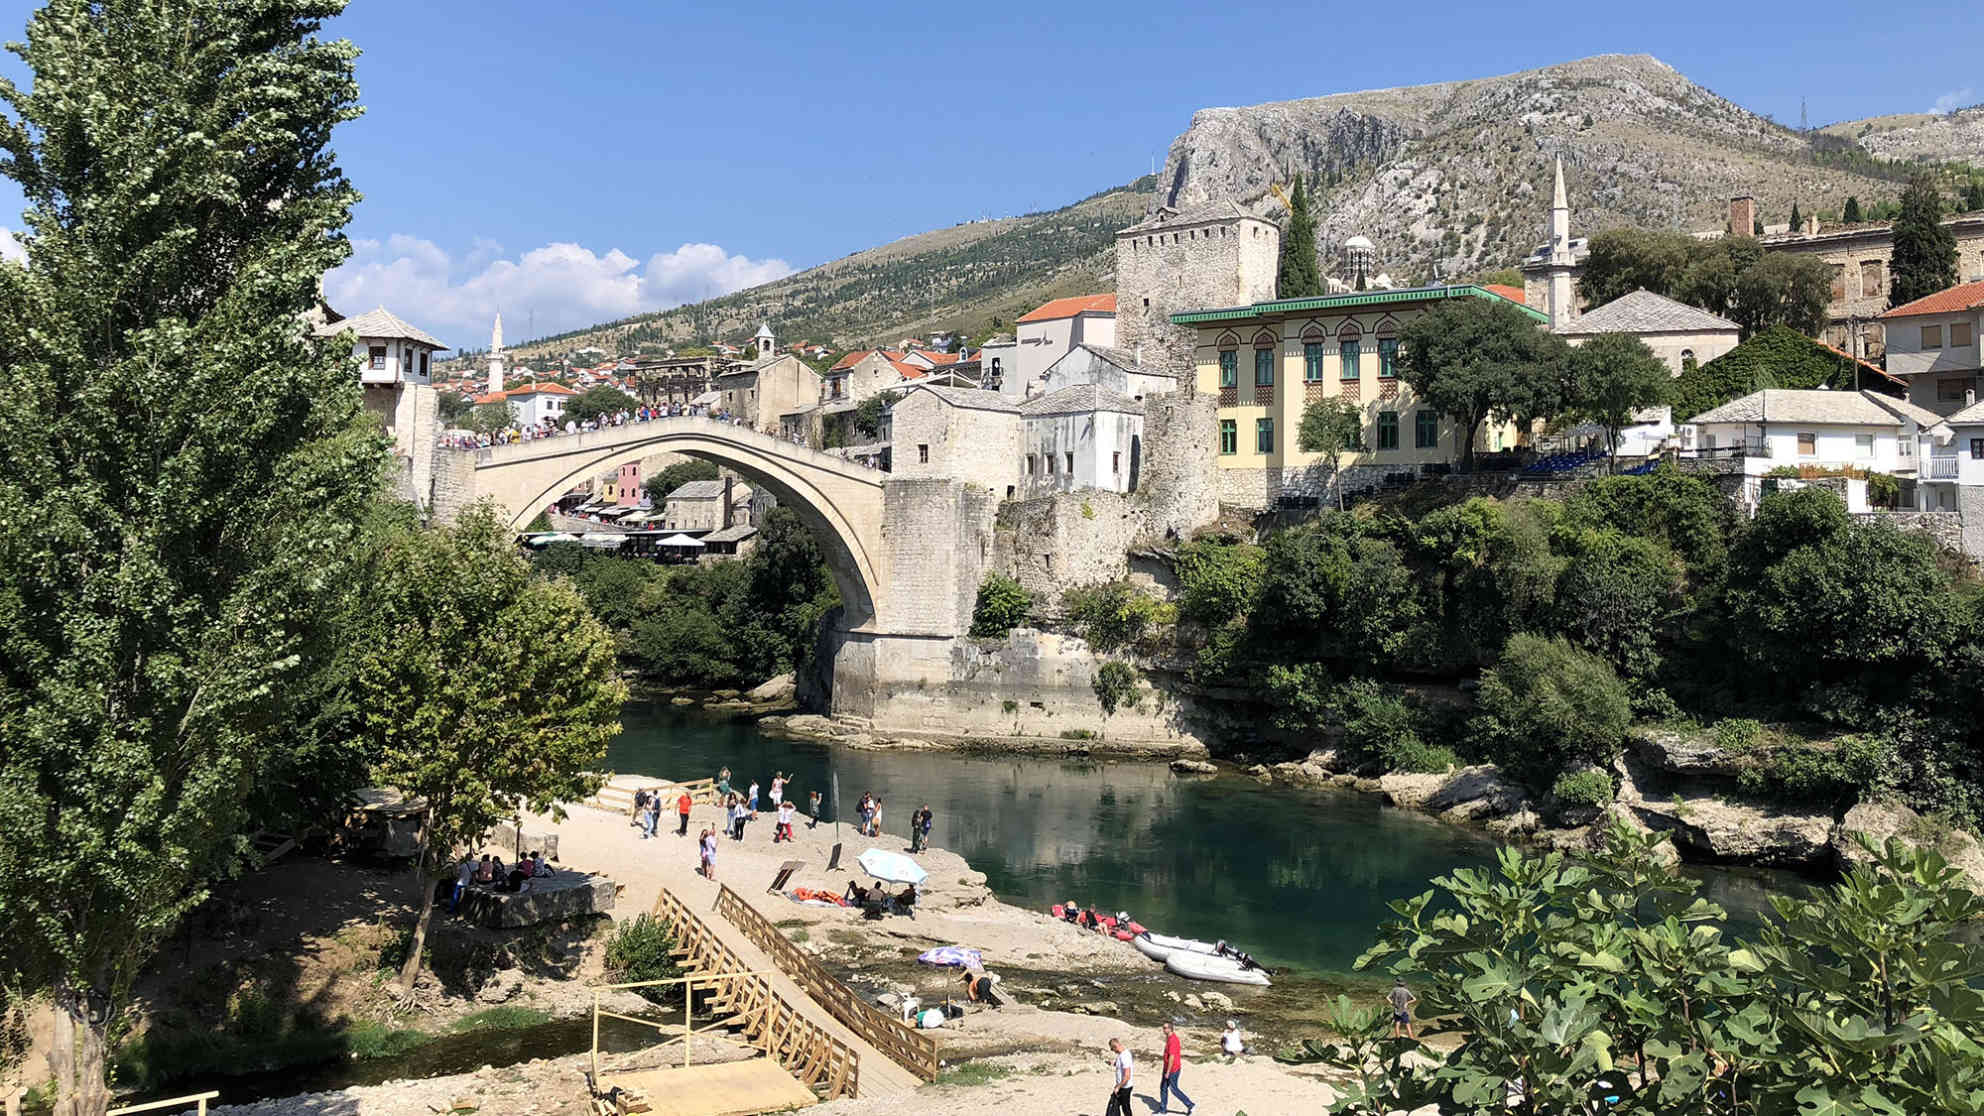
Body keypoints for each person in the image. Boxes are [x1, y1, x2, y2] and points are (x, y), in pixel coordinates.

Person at [1158, 1021, 1194, 1115]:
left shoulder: (1173, 1040)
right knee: (1163, 1088)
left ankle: (1190, 1105)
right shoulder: (1169, 1038)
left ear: (1170, 1029)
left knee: (1174, 1089)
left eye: (1165, 1028)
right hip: (1167, 1068)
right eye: (1163, 1028)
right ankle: (1163, 1110)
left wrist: (1168, 1071)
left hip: (1173, 1069)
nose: (1163, 1030)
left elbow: (1172, 1057)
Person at [1104, 1037, 1134, 1116]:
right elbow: (1119, 1065)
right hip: (1121, 1085)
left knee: (1125, 1107)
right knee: (1115, 1105)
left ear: (1115, 1047)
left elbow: (1127, 1075)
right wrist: (1111, 1063)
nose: (1113, 1051)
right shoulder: (1122, 1054)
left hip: (1125, 1087)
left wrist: (1118, 1087)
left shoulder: (1124, 1056)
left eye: (1112, 1049)